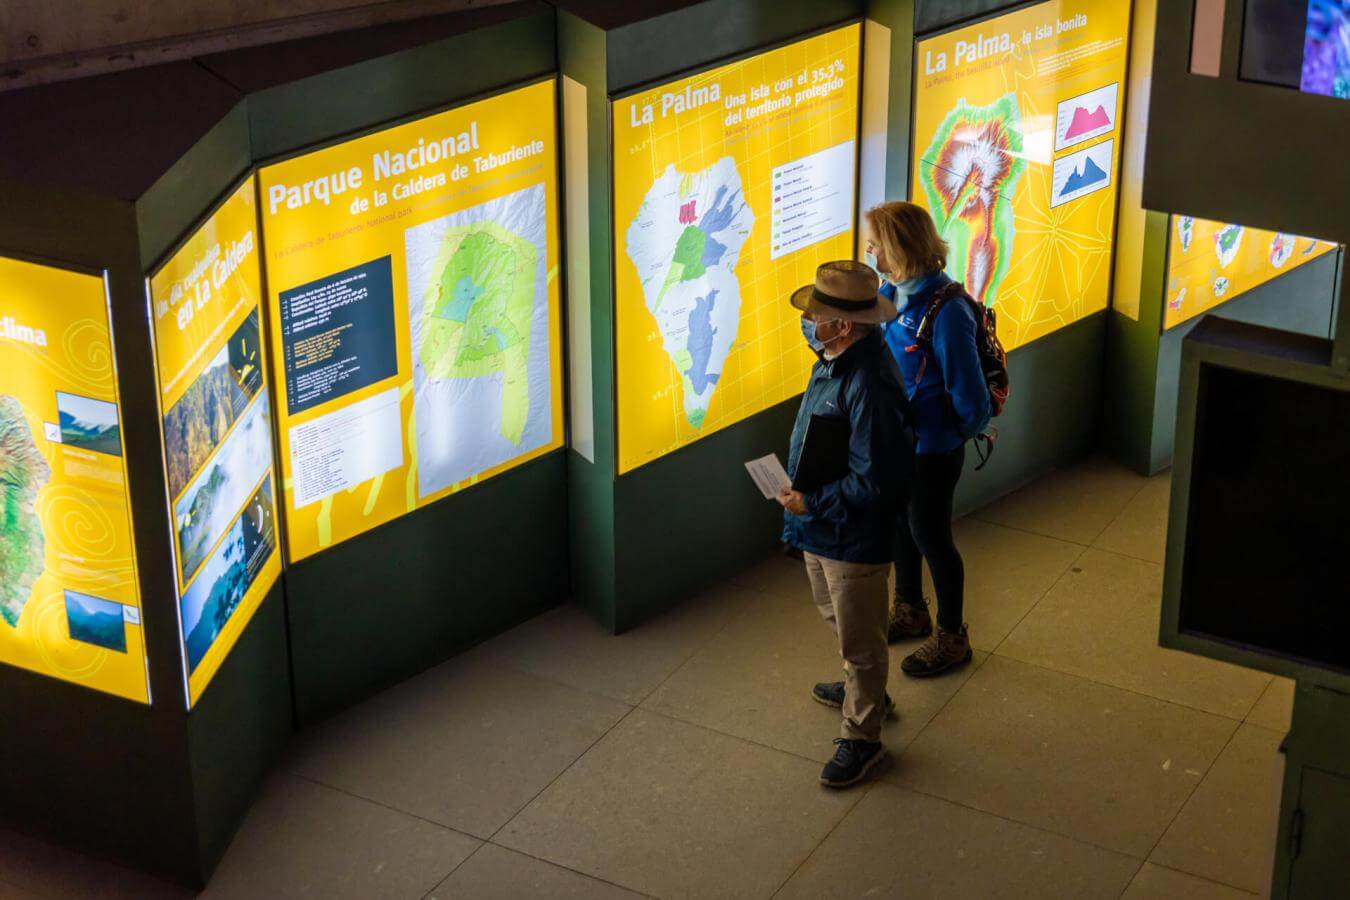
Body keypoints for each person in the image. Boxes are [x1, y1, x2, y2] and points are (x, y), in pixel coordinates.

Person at [778, 260, 912, 788]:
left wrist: (810, 504)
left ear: (844, 324)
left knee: (860, 639)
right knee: (839, 616)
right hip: (821, 529)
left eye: (816, 313)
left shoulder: (870, 386)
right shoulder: (833, 358)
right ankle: (868, 687)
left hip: (849, 536)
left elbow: (876, 484)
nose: (808, 319)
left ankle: (863, 737)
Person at [865, 200, 992, 677]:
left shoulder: (948, 310)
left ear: (899, 250)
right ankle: (911, 609)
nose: (871, 255)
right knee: (903, 526)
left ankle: (952, 636)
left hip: (933, 451)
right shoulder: (892, 292)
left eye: (876, 246)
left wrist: (944, 438)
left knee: (932, 537)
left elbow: (972, 399)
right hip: (901, 443)